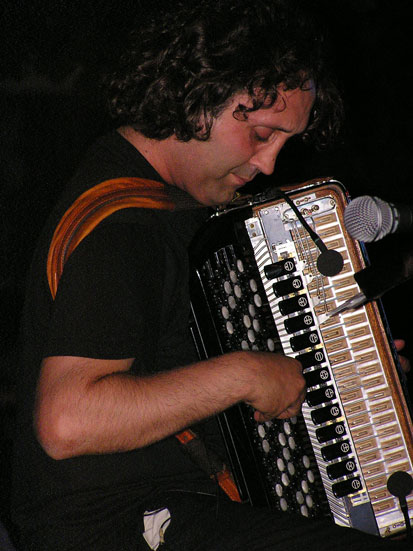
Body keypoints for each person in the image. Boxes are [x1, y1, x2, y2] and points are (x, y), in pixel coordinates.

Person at [10, 1, 411, 550]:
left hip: (192, 506)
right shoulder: (124, 228)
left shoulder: (179, 209)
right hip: (111, 524)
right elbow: (67, 421)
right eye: (261, 134)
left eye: (284, 142)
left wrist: (345, 371)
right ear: (199, 97)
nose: (269, 164)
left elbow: (186, 366)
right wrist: (245, 374)